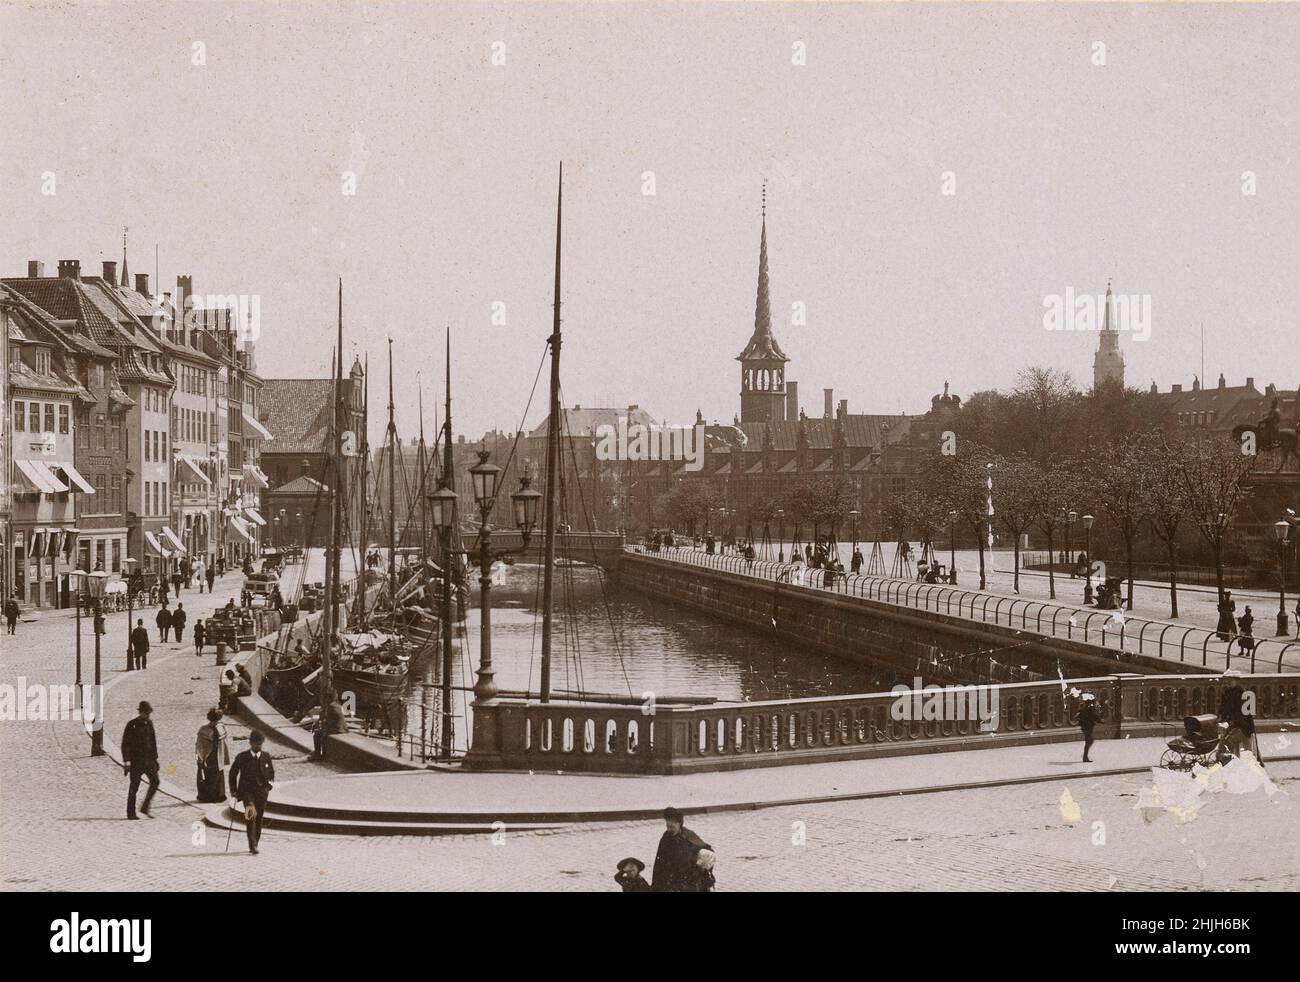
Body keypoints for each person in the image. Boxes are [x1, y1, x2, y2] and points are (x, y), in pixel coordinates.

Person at [229, 729, 275, 854]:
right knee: (251, 815)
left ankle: (256, 842)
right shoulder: (242, 757)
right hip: (247, 792)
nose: (258, 746)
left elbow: (271, 773)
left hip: (261, 792)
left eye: (260, 744)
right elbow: (233, 774)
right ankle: (251, 844)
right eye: (256, 744)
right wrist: (233, 790)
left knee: (259, 817)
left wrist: (268, 786)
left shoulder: (266, 756)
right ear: (251, 743)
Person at [651, 806, 714, 892]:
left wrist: (699, 864)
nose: (669, 829)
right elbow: (659, 863)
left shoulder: (689, 836)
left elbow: (706, 855)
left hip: (690, 881)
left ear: (679, 823)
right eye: (667, 826)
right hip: (671, 882)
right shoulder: (666, 837)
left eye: (672, 827)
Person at [121, 701, 160, 819]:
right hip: (136, 761)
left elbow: (153, 742)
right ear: (140, 712)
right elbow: (125, 744)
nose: (148, 715)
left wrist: (155, 759)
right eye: (146, 713)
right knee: (134, 787)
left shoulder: (149, 723)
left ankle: (145, 807)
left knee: (155, 782)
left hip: (148, 761)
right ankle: (131, 813)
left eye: (149, 713)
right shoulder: (131, 725)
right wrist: (127, 761)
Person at [194, 708, 230, 803]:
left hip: (213, 756)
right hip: (212, 756)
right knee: (213, 776)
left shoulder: (210, 729)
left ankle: (214, 796)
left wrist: (199, 758)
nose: (215, 723)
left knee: (214, 776)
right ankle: (213, 796)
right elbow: (199, 746)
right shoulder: (216, 728)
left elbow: (198, 745)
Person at [1077, 693, 1100, 763]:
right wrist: (1099, 720)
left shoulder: (1084, 708)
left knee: (1089, 741)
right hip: (1088, 727)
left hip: (1085, 727)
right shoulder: (1090, 709)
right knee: (1089, 741)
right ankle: (1085, 757)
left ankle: (1085, 756)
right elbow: (1095, 716)